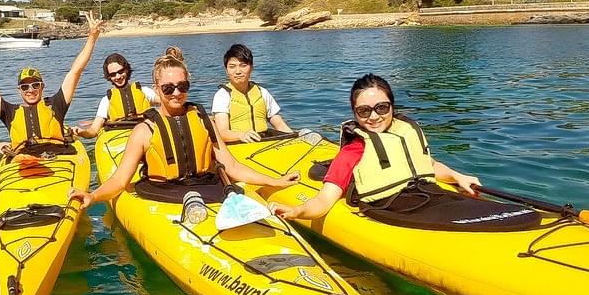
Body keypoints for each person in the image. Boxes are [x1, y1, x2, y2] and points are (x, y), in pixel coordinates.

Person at [71, 46, 298, 208]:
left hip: (208, 188)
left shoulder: (202, 120)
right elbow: (120, 180)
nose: (177, 93)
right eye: (168, 88)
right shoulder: (144, 131)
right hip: (163, 194)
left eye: (182, 86)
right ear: (157, 89)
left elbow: (233, 167)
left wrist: (273, 181)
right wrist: (93, 196)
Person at [272, 73, 482, 224]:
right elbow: (324, 200)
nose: (373, 117)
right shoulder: (352, 152)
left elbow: (428, 165)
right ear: (355, 114)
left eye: (381, 108)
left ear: (392, 106)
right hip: (394, 209)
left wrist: (457, 176)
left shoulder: (405, 131)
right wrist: (297, 211)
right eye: (364, 111)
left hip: (427, 195)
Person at [0, 13, 103, 152]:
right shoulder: (9, 112)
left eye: (35, 85)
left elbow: (75, 71)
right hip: (23, 160)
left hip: (57, 156)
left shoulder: (56, 104)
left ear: (42, 87)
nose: (31, 90)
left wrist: (92, 38)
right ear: (19, 90)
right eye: (25, 86)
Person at [210, 42, 294, 144]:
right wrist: (241, 135)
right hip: (237, 145)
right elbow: (222, 133)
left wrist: (295, 137)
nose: (238, 71)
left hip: (264, 143)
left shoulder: (262, 92)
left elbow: (280, 125)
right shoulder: (222, 95)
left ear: (251, 67)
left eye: (243, 65)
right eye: (232, 66)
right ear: (226, 70)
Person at [72, 51, 158, 138]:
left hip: (144, 134)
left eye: (120, 71)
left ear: (127, 70)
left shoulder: (145, 91)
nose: (118, 77)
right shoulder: (106, 100)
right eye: (113, 74)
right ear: (109, 76)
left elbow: (164, 102)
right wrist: (81, 132)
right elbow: (94, 131)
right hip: (118, 138)